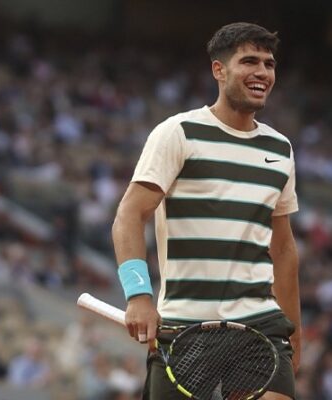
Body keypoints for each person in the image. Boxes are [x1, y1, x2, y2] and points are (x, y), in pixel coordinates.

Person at [112, 22, 301, 400]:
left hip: (259, 326)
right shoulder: (178, 132)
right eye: (250, 61)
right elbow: (129, 216)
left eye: (269, 64)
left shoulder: (280, 149)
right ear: (219, 70)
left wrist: (293, 329)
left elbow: (282, 248)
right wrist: (138, 296)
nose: (262, 72)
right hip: (184, 327)